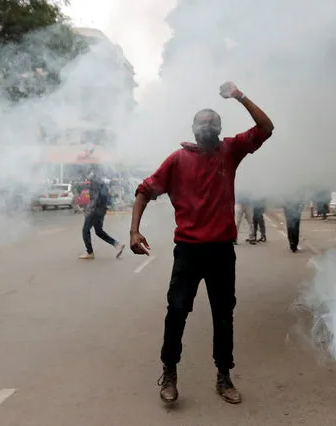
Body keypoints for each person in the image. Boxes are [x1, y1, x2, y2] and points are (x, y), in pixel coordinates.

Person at [129, 81, 274, 405]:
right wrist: (134, 231)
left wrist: (239, 96)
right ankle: (169, 372)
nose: (207, 126)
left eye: (213, 122)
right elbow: (144, 191)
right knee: (177, 311)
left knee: (224, 315)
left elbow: (266, 127)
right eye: (202, 122)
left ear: (220, 129)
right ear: (193, 129)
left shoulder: (231, 150)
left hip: (222, 251)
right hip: (189, 251)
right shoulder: (177, 160)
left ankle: (224, 376)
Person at [79, 173, 125, 260]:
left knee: (85, 230)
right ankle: (117, 245)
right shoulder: (102, 183)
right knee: (99, 231)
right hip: (101, 210)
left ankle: (90, 252)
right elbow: (106, 197)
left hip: (95, 210)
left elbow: (95, 199)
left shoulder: (94, 183)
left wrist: (89, 210)